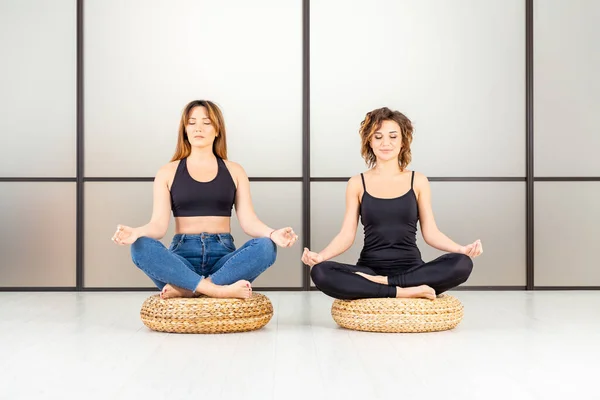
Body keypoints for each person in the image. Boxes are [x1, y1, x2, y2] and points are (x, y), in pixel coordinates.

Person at [111, 100, 298, 299]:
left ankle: (189, 289)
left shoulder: (235, 171)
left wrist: (273, 233)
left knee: (266, 246)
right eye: (191, 123)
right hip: (181, 260)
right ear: (185, 130)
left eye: (206, 122)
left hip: (224, 261)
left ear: (217, 130)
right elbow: (158, 226)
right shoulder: (167, 172)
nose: (198, 128)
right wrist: (136, 233)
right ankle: (216, 290)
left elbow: (249, 221)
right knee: (140, 247)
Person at [302, 107, 482, 300]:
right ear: (369, 141)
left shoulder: (418, 180)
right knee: (320, 272)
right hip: (370, 270)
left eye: (393, 137)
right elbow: (346, 235)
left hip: (412, 268)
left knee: (462, 263)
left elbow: (431, 233)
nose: (385, 143)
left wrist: (461, 250)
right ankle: (404, 291)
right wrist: (320, 257)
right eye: (378, 137)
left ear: (403, 142)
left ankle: (387, 285)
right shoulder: (357, 183)